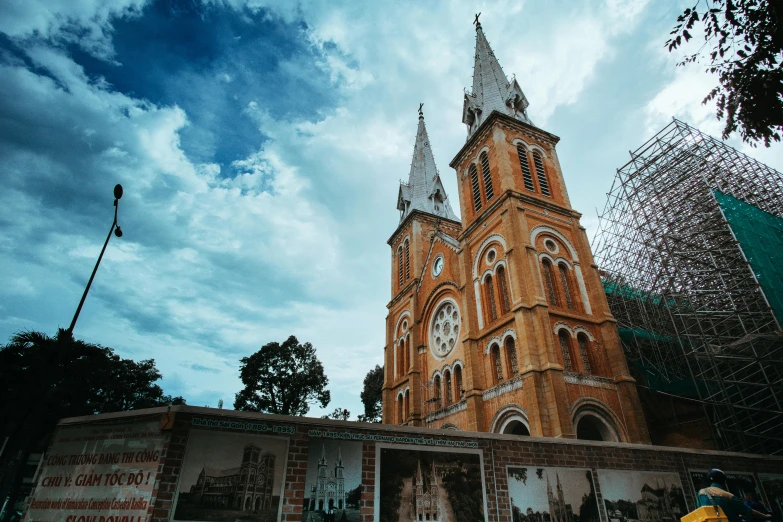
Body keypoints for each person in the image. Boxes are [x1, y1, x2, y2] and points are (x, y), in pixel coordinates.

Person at [698, 469, 772, 522]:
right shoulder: (729, 496)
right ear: (723, 481)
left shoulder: (701, 493)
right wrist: (765, 516)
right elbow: (748, 511)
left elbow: (700, 509)